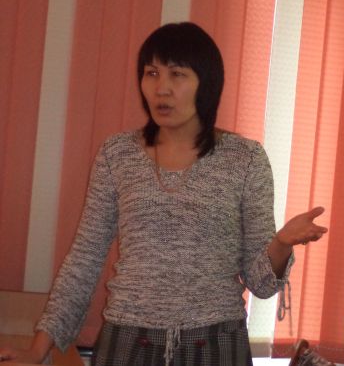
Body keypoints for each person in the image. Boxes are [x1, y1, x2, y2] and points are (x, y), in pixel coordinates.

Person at [0, 22, 327, 365]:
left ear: (206, 84)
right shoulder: (117, 154)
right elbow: (85, 258)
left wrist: (281, 243)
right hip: (128, 343)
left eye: (177, 75)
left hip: (215, 345)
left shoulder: (245, 159)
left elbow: (262, 285)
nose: (161, 88)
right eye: (152, 73)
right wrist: (37, 351)